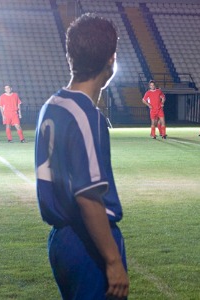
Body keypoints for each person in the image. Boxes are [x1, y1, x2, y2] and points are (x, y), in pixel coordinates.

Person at [34, 13, 128, 299]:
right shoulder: (88, 117)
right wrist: (112, 261)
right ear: (110, 60)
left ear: (69, 56)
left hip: (61, 239)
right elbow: (87, 195)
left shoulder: (52, 105)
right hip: (87, 241)